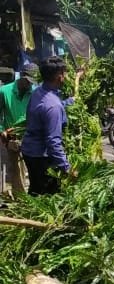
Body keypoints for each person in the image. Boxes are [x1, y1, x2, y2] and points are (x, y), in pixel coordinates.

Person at [20, 56, 72, 195]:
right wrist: (66, 168)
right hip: (41, 157)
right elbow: (53, 142)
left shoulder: (38, 91)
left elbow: (46, 107)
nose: (65, 77)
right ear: (59, 76)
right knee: (47, 196)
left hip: (29, 150)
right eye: (64, 73)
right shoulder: (53, 106)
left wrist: (68, 102)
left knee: (35, 190)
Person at [0, 63, 38, 197]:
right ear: (21, 76)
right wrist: (2, 130)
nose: (29, 85)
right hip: (12, 137)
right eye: (27, 81)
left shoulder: (34, 92)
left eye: (32, 82)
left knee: (31, 168)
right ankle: (21, 199)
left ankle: (28, 195)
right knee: (16, 170)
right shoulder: (4, 91)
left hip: (30, 136)